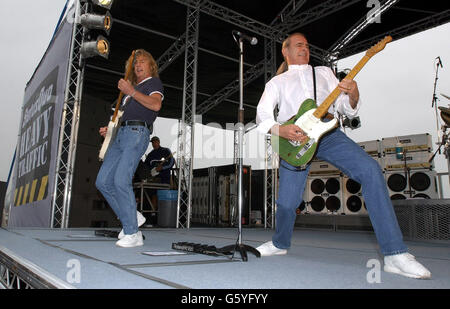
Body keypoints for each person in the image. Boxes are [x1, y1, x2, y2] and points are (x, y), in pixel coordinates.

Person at [255, 33, 431, 279]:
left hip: (330, 135)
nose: (304, 48)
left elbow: (343, 109)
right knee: (286, 203)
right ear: (285, 51)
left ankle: (394, 253)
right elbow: (262, 115)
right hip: (294, 141)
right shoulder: (277, 83)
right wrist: (281, 129)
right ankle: (279, 244)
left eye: (306, 44)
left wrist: (353, 93)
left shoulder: (325, 73)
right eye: (298, 45)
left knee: (370, 170)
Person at [96, 49, 164, 248]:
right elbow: (121, 117)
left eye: (142, 62)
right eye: (135, 63)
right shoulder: (129, 91)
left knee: (120, 180)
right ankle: (131, 216)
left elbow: (156, 105)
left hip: (136, 133)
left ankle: (132, 232)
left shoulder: (153, 83)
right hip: (120, 136)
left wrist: (132, 91)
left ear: (151, 66)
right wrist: (109, 130)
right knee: (102, 182)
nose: (138, 65)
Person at [144, 136, 175, 210]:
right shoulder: (150, 155)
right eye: (152, 142)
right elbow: (145, 167)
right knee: (153, 195)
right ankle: (154, 214)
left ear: (159, 142)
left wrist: (162, 167)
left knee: (162, 196)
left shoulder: (166, 150)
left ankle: (164, 214)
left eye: (155, 142)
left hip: (164, 179)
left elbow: (171, 162)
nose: (154, 144)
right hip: (153, 180)